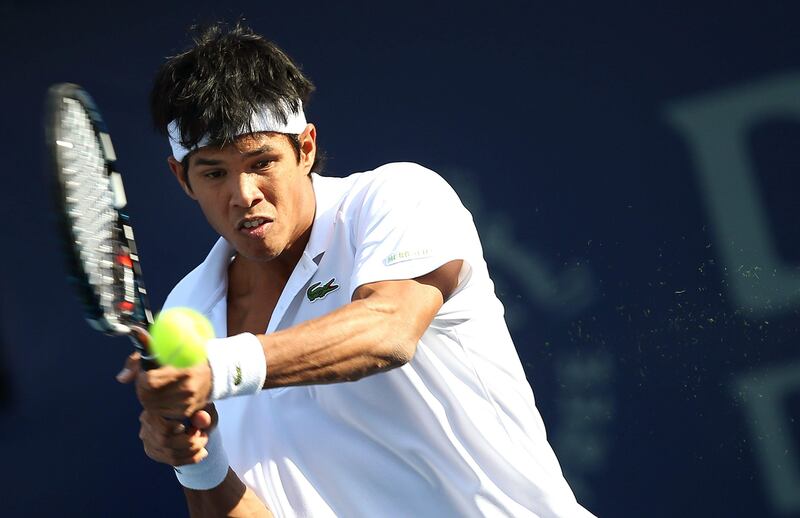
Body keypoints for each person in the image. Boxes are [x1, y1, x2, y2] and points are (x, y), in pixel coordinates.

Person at [117, 22, 595, 518]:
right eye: (214, 173)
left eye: (262, 163)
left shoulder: (399, 197)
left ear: (305, 149)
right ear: (182, 179)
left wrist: (219, 369)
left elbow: (389, 329)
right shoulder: (190, 306)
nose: (243, 195)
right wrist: (197, 462)